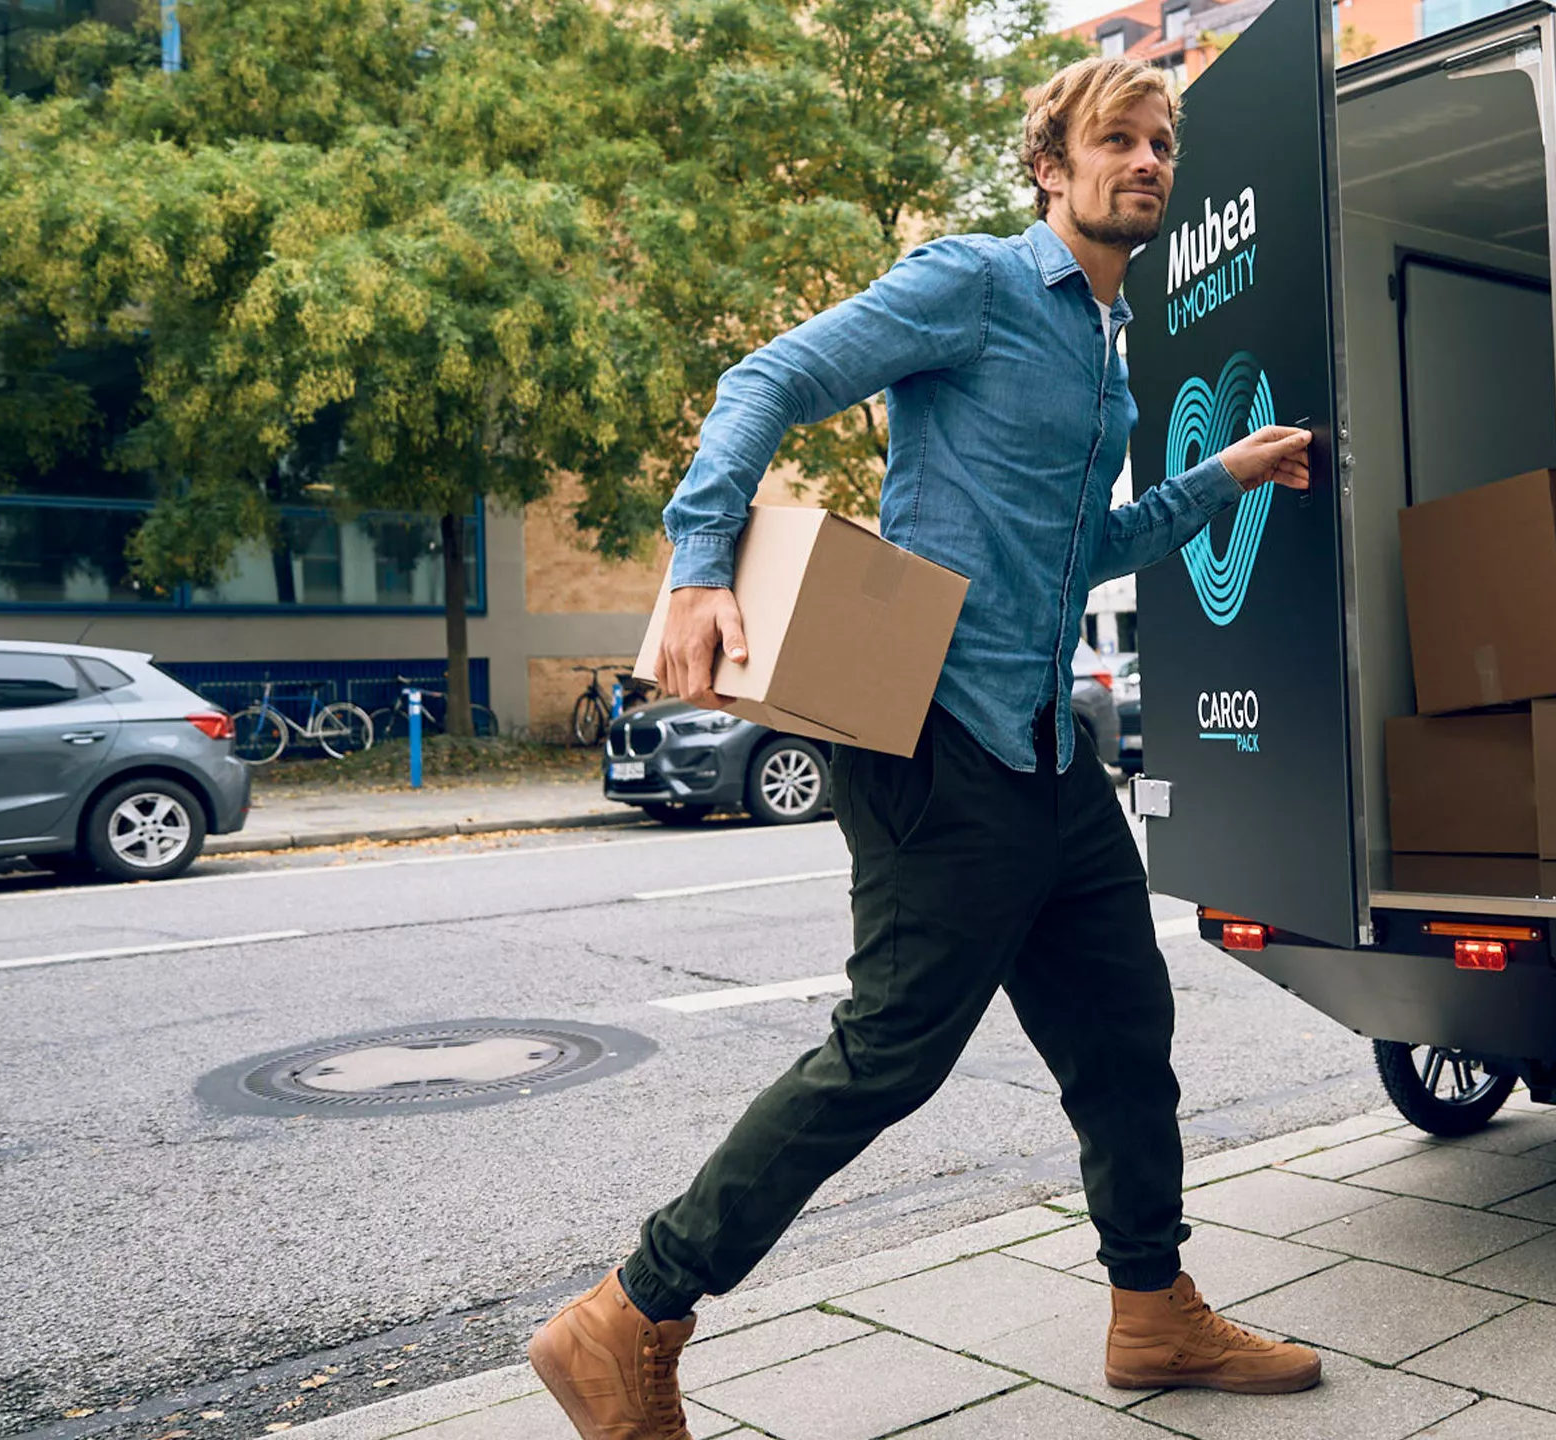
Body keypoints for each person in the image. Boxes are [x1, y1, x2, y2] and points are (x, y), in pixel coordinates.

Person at [527, 53, 1320, 1439]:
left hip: (1045, 750)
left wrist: (1224, 473)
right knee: (890, 1051)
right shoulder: (978, 284)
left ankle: (1154, 1310)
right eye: (1116, 141)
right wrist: (703, 562)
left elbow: (1090, 550)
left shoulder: (1100, 346)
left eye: (1159, 145)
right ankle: (629, 1314)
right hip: (938, 738)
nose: (1144, 163)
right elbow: (765, 376)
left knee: (1128, 1035)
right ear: (1050, 166)